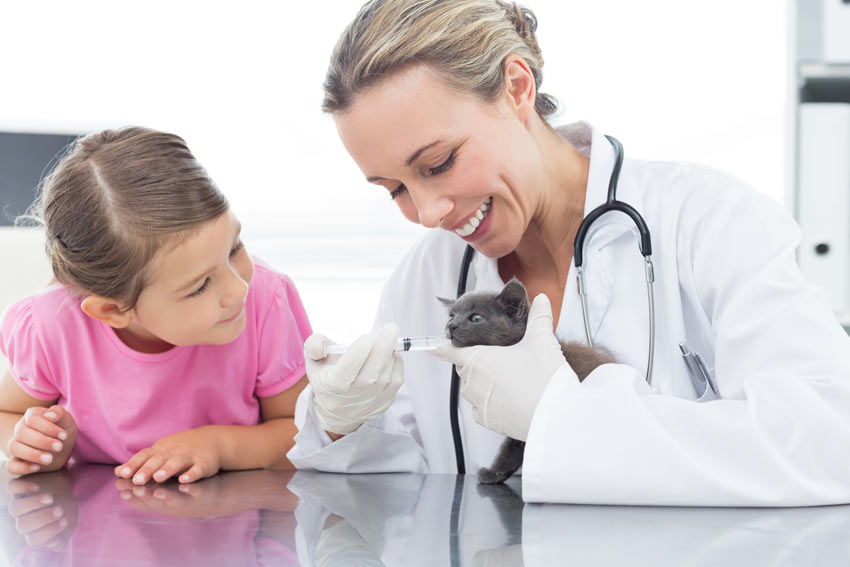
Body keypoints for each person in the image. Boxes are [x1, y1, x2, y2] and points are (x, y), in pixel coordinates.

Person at [287, 0, 850, 506]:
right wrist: (343, 426)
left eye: (438, 164)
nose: (429, 211)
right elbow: (398, 498)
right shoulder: (423, 276)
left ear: (516, 88)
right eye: (396, 189)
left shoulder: (708, 219)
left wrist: (567, 418)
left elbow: (828, 441)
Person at [0, 127, 311, 485]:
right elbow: (7, 413)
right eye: (199, 287)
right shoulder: (52, 327)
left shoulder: (264, 300)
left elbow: (303, 431)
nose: (237, 289)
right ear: (114, 311)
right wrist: (34, 443)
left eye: (234, 248)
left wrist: (219, 445)